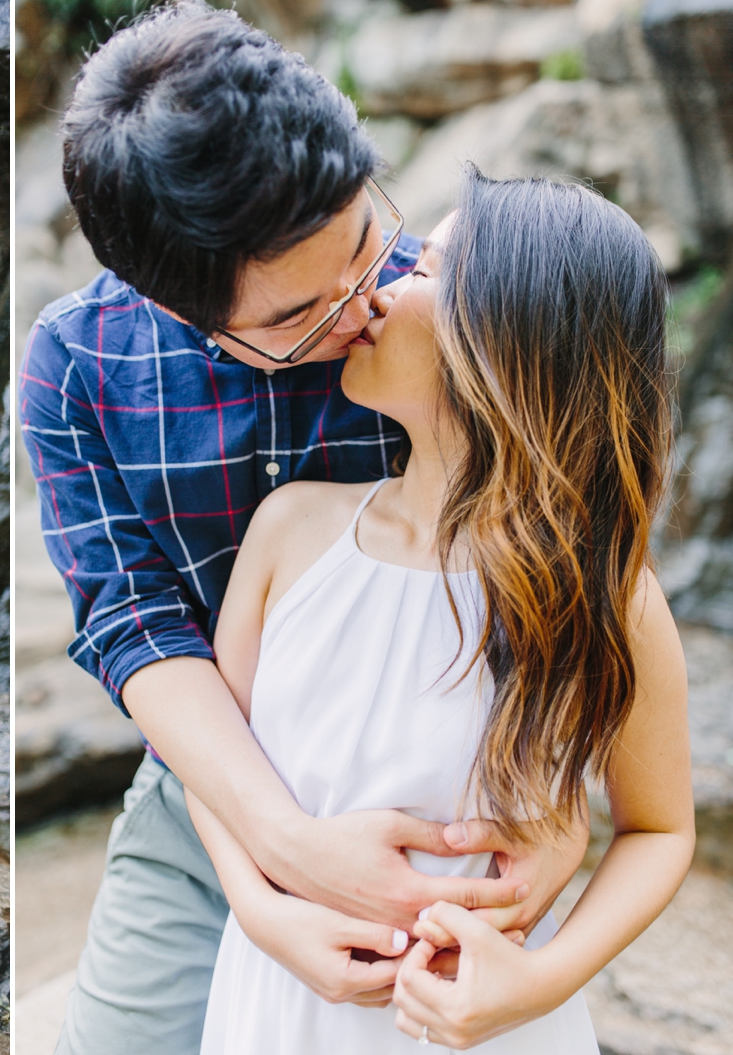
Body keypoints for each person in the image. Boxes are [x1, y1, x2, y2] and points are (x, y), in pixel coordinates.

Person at [18, 0, 587, 1053]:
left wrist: (562, 806)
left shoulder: (450, 306)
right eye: (299, 316)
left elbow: (560, 542)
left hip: (449, 798)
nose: (362, 305)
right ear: (178, 306)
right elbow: (135, 619)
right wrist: (277, 862)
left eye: (368, 246)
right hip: (206, 789)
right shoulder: (76, 367)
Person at [194, 170, 692, 1052]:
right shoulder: (292, 529)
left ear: (505, 343)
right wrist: (260, 909)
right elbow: (215, 768)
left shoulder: (603, 589)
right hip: (283, 997)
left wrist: (541, 981)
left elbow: (658, 829)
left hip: (486, 1028)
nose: (379, 292)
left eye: (423, 272)